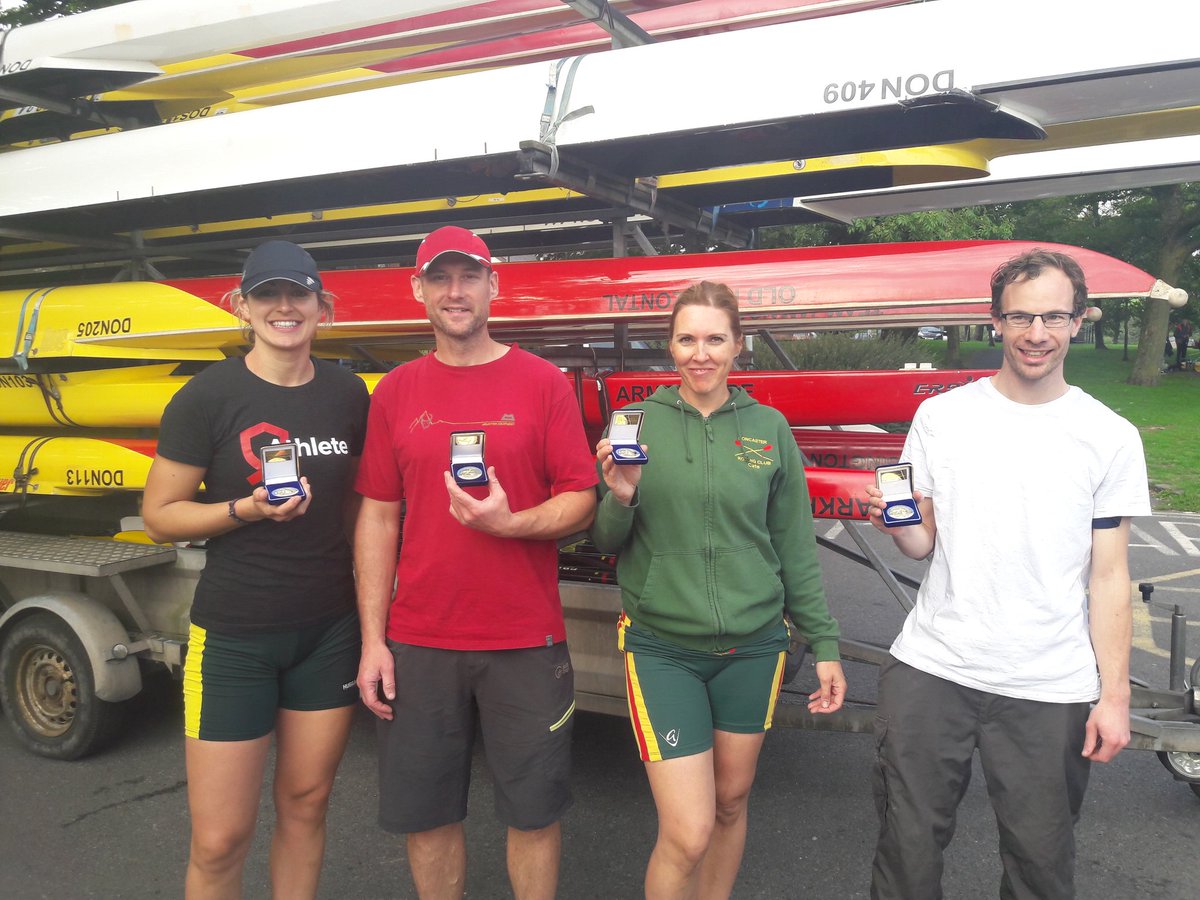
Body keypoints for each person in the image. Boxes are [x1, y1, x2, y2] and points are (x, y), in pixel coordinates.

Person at [865, 249, 1150, 900]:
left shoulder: (1109, 437)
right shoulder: (943, 417)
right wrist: (899, 521)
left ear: (1080, 321)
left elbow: (1109, 578)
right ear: (995, 322)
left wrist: (1115, 698)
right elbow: (920, 543)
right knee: (904, 858)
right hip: (933, 669)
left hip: (1048, 686)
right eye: (1020, 317)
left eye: (1054, 316)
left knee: (1039, 868)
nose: (1037, 334)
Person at [353, 225, 597, 900]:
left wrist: (511, 523)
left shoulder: (544, 384)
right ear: (419, 290)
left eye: (468, 278)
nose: (454, 293)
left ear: (495, 286)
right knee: (427, 818)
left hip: (526, 641)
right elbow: (377, 515)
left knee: (534, 814)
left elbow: (581, 499)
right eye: (440, 279)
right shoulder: (397, 392)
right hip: (421, 642)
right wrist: (373, 640)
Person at [590, 281, 847, 900]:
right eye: (686, 339)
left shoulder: (768, 427)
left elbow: (793, 547)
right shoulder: (638, 422)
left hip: (755, 648)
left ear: (738, 345)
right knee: (688, 829)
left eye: (714, 339)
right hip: (663, 649)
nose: (699, 354)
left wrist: (827, 643)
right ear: (669, 345)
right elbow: (603, 539)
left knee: (730, 803)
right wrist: (621, 494)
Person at [143, 240, 369, 899]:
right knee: (219, 841)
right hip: (236, 636)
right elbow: (160, 513)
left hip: (329, 630)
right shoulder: (207, 398)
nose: (284, 307)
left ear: (322, 308)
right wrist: (243, 509)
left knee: (304, 805)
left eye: (298, 294)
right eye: (267, 294)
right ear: (241, 306)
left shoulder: (346, 392)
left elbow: (360, 506)